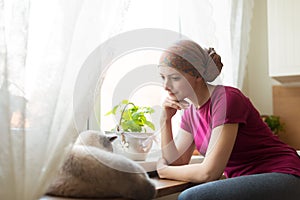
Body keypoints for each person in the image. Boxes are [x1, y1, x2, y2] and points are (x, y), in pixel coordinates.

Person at [156, 40, 300, 200]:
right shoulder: (190, 112)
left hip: (283, 174)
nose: (166, 86)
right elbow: (177, 162)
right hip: (246, 179)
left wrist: (164, 171)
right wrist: (165, 120)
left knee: (191, 197)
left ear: (197, 74)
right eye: (163, 77)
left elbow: (209, 173)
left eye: (174, 78)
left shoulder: (226, 99)